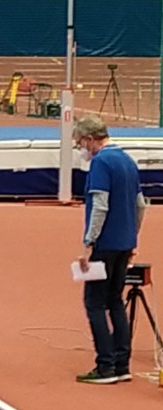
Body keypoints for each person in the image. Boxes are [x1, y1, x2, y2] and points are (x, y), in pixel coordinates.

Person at [74, 114, 149, 384]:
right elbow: (140, 205)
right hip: (124, 243)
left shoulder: (101, 163)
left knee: (94, 303)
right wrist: (132, 237)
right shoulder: (127, 161)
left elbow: (100, 206)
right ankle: (121, 363)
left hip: (104, 245)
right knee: (115, 300)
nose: (80, 149)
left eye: (79, 144)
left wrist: (88, 243)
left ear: (89, 139)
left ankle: (105, 365)